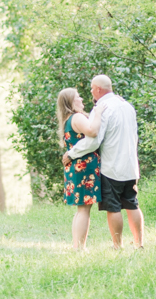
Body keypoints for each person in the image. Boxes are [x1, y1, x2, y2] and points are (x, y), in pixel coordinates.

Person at [62, 75, 144, 249]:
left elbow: (93, 140)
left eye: (92, 88)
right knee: (132, 204)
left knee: (113, 207)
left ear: (98, 89)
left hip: (111, 166)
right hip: (130, 165)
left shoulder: (102, 108)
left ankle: (117, 246)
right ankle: (139, 244)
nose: (90, 92)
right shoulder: (127, 106)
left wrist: (72, 153)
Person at [57, 87, 106, 250]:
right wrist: (98, 113)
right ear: (71, 101)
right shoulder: (77, 117)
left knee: (81, 210)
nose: (82, 100)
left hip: (77, 166)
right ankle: (80, 247)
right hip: (83, 166)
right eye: (78, 97)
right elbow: (92, 131)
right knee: (84, 209)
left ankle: (77, 245)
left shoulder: (69, 119)